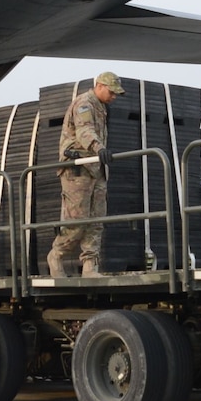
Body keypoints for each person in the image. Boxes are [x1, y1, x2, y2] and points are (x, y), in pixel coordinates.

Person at [48, 71, 124, 276]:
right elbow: (84, 132)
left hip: (96, 168)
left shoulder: (101, 107)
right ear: (99, 86)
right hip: (78, 168)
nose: (114, 97)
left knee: (97, 219)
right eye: (111, 92)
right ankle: (57, 255)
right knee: (77, 220)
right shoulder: (84, 104)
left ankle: (90, 265)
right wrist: (99, 148)